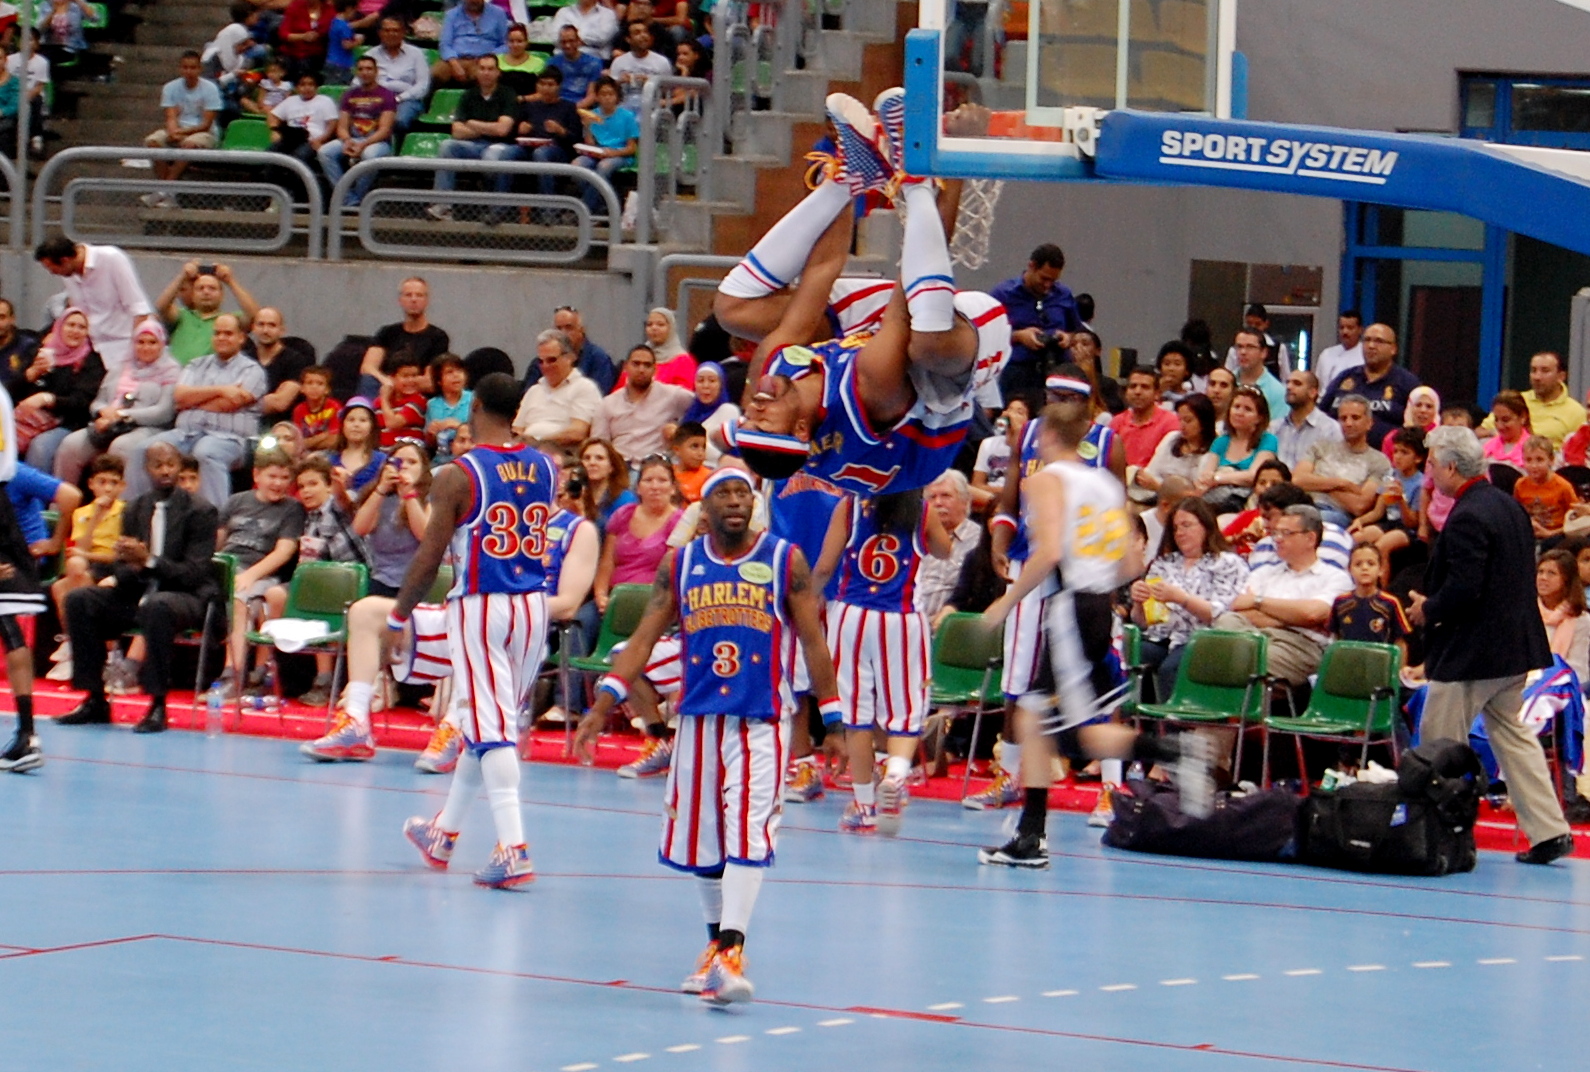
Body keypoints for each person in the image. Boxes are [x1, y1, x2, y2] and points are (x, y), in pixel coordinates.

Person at [574, 468, 839, 1004]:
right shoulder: (681, 563)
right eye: (724, 493)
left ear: (754, 504)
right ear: (704, 506)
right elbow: (643, 637)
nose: (736, 501)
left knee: (748, 832)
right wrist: (602, 704)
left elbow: (813, 640)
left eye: (744, 492)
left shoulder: (784, 559)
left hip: (760, 720)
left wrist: (831, 720)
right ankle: (715, 947)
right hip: (698, 722)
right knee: (703, 843)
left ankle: (732, 951)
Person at [720, 91, 1009, 496]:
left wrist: (840, 185)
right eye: (763, 420)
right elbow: (904, 302)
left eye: (747, 418)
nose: (754, 406)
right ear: (801, 429)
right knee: (925, 342)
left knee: (733, 310)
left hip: (865, 337)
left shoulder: (770, 376)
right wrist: (943, 168)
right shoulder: (871, 394)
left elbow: (821, 271)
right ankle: (921, 179)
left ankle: (853, 174)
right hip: (934, 396)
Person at [978, 399, 1203, 868]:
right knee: (1058, 726)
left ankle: (1173, 751)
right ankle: (1032, 835)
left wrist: (1006, 601)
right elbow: (1131, 560)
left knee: (1042, 722)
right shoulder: (1102, 483)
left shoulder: (1047, 480)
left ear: (1044, 437)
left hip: (1071, 606)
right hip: (1099, 607)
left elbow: (1047, 552)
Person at [391, 373, 560, 890]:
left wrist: (398, 617)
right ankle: (443, 832)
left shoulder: (458, 473)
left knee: (493, 726)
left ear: (476, 405)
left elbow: (429, 557)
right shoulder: (545, 466)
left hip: (483, 604)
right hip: (533, 604)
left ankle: (513, 847)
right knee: (485, 717)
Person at [1407, 425, 1574, 864]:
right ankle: (1550, 831)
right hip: (1513, 648)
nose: (1428, 472)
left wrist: (1429, 608)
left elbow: (1466, 588)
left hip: (1471, 654)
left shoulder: (1468, 516)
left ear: (1450, 467)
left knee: (1440, 745)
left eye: (1431, 464)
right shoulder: (1508, 506)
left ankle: (1440, 835)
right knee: (1513, 737)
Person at [811, 487, 950, 835]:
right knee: (906, 710)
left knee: (855, 715)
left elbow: (825, 566)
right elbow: (944, 551)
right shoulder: (922, 511)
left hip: (852, 616)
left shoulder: (849, 507)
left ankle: (864, 806)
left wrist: (805, 600)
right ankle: (895, 775)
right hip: (902, 618)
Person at [57, 442, 220, 734]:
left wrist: (149, 561)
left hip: (186, 597)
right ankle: (95, 699)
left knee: (158, 606)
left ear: (179, 467)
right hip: (138, 593)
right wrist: (131, 567)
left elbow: (194, 573)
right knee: (80, 599)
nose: (165, 471)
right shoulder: (135, 508)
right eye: (158, 465)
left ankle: (157, 705)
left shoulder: (201, 511)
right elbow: (121, 568)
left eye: (171, 464)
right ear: (147, 470)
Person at [130, 315, 265, 507]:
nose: (221, 338)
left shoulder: (252, 370)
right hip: (186, 433)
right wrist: (221, 390)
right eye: (217, 333)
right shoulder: (197, 364)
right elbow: (180, 396)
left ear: (241, 338)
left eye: (228, 333)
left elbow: (231, 403)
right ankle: (138, 513)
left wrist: (193, 401)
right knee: (143, 449)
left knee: (206, 451)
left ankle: (213, 518)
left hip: (229, 438)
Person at [1213, 503, 1352, 686]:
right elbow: (1239, 608)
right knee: (1226, 622)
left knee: (1232, 659)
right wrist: (1293, 617)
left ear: (1310, 538)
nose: (1277, 539)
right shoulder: (1263, 573)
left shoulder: (1335, 578)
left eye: (1286, 533)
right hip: (1255, 635)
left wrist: (1257, 601)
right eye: (1275, 533)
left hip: (1299, 647)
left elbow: (1313, 614)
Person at [1130, 497, 1249, 702]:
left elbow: (1220, 614)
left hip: (1204, 639)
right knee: (1131, 655)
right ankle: (1132, 718)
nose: (1180, 533)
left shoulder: (1227, 563)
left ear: (1206, 527)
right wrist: (1138, 602)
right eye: (1175, 528)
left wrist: (1182, 598)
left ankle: (1176, 722)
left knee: (1172, 668)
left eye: (1186, 525)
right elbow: (1144, 622)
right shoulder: (1164, 563)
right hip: (1162, 637)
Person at [215, 448, 305, 699]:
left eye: (284, 478)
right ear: (256, 475)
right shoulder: (236, 501)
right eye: (272, 476)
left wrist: (250, 575)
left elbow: (284, 552)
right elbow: (218, 542)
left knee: (242, 601)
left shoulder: (292, 509)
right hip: (227, 567)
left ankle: (232, 674)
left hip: (261, 574)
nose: (278, 483)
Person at [51, 319, 179, 488]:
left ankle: (119, 502)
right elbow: (97, 403)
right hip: (108, 425)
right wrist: (104, 412)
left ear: (162, 344)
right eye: (140, 342)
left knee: (121, 447)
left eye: (152, 342)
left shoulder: (171, 371)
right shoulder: (120, 368)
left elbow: (164, 412)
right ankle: (64, 500)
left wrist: (121, 415)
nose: (145, 347)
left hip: (147, 427)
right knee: (71, 444)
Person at [46, 454, 125, 676]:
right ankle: (75, 643)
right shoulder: (82, 513)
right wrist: (96, 516)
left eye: (113, 483)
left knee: (77, 571)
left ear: (122, 486)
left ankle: (82, 646)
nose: (107, 488)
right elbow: (81, 547)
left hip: (113, 568)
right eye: (102, 482)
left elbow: (120, 556)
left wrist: (87, 555)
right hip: (87, 568)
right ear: (91, 484)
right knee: (61, 584)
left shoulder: (126, 512)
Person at [32, 236, 154, 372]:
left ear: (65, 261)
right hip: (93, 349)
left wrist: (136, 351)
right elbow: (79, 310)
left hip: (124, 346)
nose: (52, 273)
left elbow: (138, 308)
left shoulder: (112, 258)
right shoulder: (69, 273)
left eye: (52, 268)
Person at [10, 307, 106, 474]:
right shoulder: (40, 353)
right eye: (71, 325)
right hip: (27, 418)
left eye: (81, 327)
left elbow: (82, 402)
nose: (75, 331)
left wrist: (47, 399)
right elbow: (10, 392)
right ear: (59, 327)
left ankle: (36, 490)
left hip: (67, 422)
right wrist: (30, 374)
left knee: (41, 446)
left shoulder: (91, 361)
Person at [426, 53, 520, 221]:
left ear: (498, 72)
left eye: (490, 69)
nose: (486, 73)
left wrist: (471, 123)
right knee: (448, 146)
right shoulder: (469, 95)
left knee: (492, 155)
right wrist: (487, 128)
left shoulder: (508, 94)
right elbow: (457, 131)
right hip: (475, 145)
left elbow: (502, 130)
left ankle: (497, 211)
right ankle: (443, 206)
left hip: (503, 146)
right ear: (476, 72)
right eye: (482, 69)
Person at [988, 243, 1080, 404]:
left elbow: (1077, 331)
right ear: (1031, 266)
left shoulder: (1064, 295)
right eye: (1044, 278)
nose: (1047, 286)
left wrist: (1067, 337)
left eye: (1053, 281)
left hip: (1057, 372)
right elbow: (986, 334)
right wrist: (1018, 336)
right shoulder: (1003, 294)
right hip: (1017, 373)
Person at [593, 454, 683, 613]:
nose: (655, 487)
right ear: (638, 488)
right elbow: (607, 563)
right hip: (614, 596)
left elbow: (672, 572)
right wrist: (601, 596)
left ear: (673, 488)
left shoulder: (679, 522)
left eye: (662, 480)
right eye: (648, 480)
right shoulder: (623, 515)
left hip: (655, 601)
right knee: (582, 621)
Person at [1292, 395, 1391, 528]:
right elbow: (1297, 480)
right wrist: (1342, 484)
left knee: (1309, 521)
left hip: (1336, 514)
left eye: (1355, 418)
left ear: (1369, 423)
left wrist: (1318, 483)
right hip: (1303, 505)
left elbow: (1360, 506)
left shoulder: (1379, 461)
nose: (1348, 423)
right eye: (1343, 418)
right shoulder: (1321, 446)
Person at [316, 54, 397, 209]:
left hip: (378, 141)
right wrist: (347, 141)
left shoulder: (387, 95)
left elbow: (385, 129)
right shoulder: (349, 95)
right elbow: (342, 126)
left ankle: (356, 198)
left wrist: (363, 144)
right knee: (325, 152)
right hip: (353, 138)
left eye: (369, 69)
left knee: (369, 155)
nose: (365, 72)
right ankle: (347, 197)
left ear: (376, 71)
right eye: (361, 69)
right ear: (356, 72)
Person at [1321, 323, 1420, 446]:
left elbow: (1418, 430)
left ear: (1393, 349)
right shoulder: (1344, 377)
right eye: (1367, 340)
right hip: (1338, 452)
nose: (1371, 346)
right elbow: (1321, 415)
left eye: (1379, 341)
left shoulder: (1407, 382)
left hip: (1386, 455)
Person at [591, 345, 694, 462]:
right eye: (636, 364)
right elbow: (598, 445)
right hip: (620, 466)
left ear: (655, 370)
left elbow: (702, 405)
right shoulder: (607, 403)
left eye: (647, 365)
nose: (641, 370)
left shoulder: (673, 395)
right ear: (625, 367)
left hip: (656, 465)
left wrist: (679, 430)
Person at [1349, 427, 1427, 576]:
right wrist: (1360, 521)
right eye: (1396, 451)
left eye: (1404, 452)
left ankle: (1381, 586)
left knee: (1381, 546)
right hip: (1389, 523)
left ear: (1418, 458)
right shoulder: (1391, 475)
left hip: (1408, 530)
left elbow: (1412, 522)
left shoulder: (1420, 484)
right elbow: (1378, 512)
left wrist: (1400, 500)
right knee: (1357, 538)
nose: (1397, 457)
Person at [154, 261, 262, 365]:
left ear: (222, 295)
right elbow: (161, 306)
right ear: (193, 295)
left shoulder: (228, 321)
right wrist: (183, 276)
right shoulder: (182, 316)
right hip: (176, 374)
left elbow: (255, 315)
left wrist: (230, 281)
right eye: (200, 288)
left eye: (212, 288)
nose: (206, 292)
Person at [359, 277, 450, 397]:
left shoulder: (438, 337)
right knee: (368, 380)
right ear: (400, 300)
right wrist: (385, 380)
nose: (413, 300)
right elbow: (367, 367)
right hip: (385, 389)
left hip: (416, 396)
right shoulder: (387, 332)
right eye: (408, 295)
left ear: (427, 301)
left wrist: (398, 382)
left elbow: (429, 381)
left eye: (419, 295)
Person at [1479, 351, 1586, 451]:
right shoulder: (1515, 401)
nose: (1537, 377)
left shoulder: (1576, 412)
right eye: (1534, 370)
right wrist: (1496, 433)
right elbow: (1480, 432)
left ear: (1561, 376)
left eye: (1545, 371)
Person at [144, 51, 222, 188]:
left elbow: (206, 124)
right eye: (185, 67)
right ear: (180, 68)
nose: (189, 71)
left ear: (200, 69)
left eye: (193, 68)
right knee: (152, 142)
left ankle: (166, 187)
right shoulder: (170, 87)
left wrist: (181, 133)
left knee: (189, 145)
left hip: (204, 133)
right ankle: (165, 187)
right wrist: (173, 132)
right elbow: (171, 116)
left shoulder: (211, 89)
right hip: (179, 129)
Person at [513, 329, 602, 445]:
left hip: (563, 451)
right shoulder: (534, 391)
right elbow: (517, 429)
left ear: (569, 358)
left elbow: (577, 433)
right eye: (540, 361)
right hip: (528, 450)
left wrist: (537, 442)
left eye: (551, 360)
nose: (545, 366)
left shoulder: (584, 388)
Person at [1197, 384, 1276, 514]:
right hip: (1216, 498)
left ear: (1259, 417)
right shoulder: (1221, 441)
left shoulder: (1268, 440)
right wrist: (1210, 480)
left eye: (1247, 409)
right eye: (1236, 407)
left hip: (1246, 502)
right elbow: (1207, 476)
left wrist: (1218, 478)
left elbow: (1254, 476)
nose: (1239, 413)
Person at [915, 469, 982, 621]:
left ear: (965, 501)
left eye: (946, 496)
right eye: (932, 497)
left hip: (951, 624)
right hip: (910, 620)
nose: (938, 503)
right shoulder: (915, 538)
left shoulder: (979, 541)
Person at [573, 76, 639, 215]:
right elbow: (590, 144)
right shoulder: (592, 115)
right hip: (597, 152)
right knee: (577, 165)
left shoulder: (627, 116)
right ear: (597, 97)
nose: (607, 98)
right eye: (603, 94)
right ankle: (600, 205)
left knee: (604, 166)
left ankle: (585, 210)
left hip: (619, 154)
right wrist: (587, 128)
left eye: (611, 94)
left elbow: (632, 148)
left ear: (617, 96)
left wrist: (613, 153)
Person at [1329, 544, 1411, 657]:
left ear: (1381, 569)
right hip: (1348, 661)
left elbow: (1400, 642)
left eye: (1371, 563)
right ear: (1349, 570)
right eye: (1358, 564)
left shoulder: (1390, 603)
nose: (1364, 568)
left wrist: (1399, 667)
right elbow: (1334, 638)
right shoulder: (1340, 602)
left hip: (1379, 662)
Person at [518, 66, 581, 197]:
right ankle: (499, 204)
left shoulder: (569, 107)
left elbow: (576, 140)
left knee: (541, 153)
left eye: (550, 85)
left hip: (558, 150)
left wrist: (560, 131)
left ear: (559, 86)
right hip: (530, 147)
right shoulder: (530, 106)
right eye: (542, 84)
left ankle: (548, 204)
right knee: (506, 152)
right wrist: (521, 129)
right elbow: (517, 133)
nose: (546, 88)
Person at [522, 305, 615, 395]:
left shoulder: (599, 359)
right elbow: (527, 395)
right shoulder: (541, 362)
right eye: (558, 328)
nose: (563, 333)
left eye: (569, 328)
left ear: (582, 330)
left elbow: (599, 397)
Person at [1138, 393, 1216, 497]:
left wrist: (1160, 487)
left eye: (1188, 421)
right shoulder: (1171, 438)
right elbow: (1151, 471)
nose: (1182, 426)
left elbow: (1198, 493)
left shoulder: (1214, 449)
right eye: (1180, 419)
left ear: (1204, 422)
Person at [250, 307, 315, 422]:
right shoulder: (244, 358)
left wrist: (239, 404)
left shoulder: (295, 360)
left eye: (272, 325)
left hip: (281, 426)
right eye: (261, 324)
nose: (265, 330)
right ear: (253, 328)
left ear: (282, 330)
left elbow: (280, 403)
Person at [1110, 365, 1179, 470]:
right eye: (1133, 386)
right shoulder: (1117, 422)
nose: (1137, 392)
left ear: (1157, 394)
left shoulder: (1171, 422)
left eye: (1145, 387)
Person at [1271, 368, 1342, 471]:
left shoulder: (1330, 429)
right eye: (1287, 383)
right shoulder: (1274, 427)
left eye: (1297, 383)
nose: (1289, 387)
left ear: (1312, 392)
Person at [369, 15, 430, 133]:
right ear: (380, 33)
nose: (391, 34)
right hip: (376, 98)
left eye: (396, 30)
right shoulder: (371, 54)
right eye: (387, 30)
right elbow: (357, 82)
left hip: (406, 99)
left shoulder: (416, 54)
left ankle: (395, 143)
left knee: (399, 120)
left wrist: (399, 98)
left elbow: (423, 85)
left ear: (403, 33)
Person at [1536, 548, 1589, 682]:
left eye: (1551, 573)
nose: (1543, 578)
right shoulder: (1527, 614)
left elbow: (1579, 670)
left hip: (1563, 686)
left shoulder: (1581, 620)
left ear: (1566, 579)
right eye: (1540, 572)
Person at [268, 70, 340, 167]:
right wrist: (274, 131)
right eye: (303, 85)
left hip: (312, 140)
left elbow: (332, 123)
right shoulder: (290, 100)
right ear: (297, 87)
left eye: (311, 84)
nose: (307, 88)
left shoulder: (325, 101)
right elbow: (272, 115)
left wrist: (321, 140)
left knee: (299, 157)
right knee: (270, 154)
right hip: (291, 137)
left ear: (316, 86)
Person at [1514, 434, 1578, 543]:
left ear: (1551, 460)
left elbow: (1575, 521)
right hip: (1529, 536)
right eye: (1528, 460)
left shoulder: (1563, 486)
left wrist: (1550, 533)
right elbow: (1516, 514)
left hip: (1556, 537)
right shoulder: (1520, 485)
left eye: (1539, 460)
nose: (1534, 466)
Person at [432, 0, 510, 88]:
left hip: (483, 60)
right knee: (436, 74)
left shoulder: (498, 13)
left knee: (484, 75)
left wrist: (489, 57)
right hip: (455, 59)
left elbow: (505, 44)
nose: (473, 1)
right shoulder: (452, 14)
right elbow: (445, 44)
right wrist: (454, 64)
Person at [615, 307, 695, 389]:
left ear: (671, 328)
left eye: (660, 324)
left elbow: (683, 394)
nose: (654, 328)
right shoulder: (639, 356)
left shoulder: (683, 361)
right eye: (649, 324)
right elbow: (620, 389)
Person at [327, 396, 385, 492]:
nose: (356, 425)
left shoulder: (382, 460)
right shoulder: (329, 460)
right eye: (351, 420)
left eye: (363, 420)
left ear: (372, 426)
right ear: (343, 425)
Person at [610, 19, 670, 112]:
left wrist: (651, 83)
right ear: (628, 39)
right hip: (624, 108)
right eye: (637, 33)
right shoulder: (619, 62)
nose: (643, 36)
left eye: (645, 32)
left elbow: (668, 91)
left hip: (652, 109)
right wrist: (620, 82)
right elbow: (610, 89)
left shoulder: (662, 62)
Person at [578, 437, 636, 531]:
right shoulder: (576, 495)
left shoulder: (625, 499)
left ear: (611, 467)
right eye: (587, 458)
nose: (592, 463)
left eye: (599, 458)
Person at [1222, 303, 1292, 380]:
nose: (1253, 327)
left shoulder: (1278, 348)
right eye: (1249, 324)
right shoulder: (1234, 349)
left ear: (1266, 324)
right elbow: (1227, 376)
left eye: (1258, 324)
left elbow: (1285, 377)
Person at [1230, 327, 1286, 420]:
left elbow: (1277, 426)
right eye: (1239, 347)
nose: (1243, 352)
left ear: (1263, 352)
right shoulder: (1226, 383)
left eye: (1250, 347)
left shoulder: (1277, 392)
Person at [425, 353, 472, 458]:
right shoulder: (432, 405)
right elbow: (430, 444)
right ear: (439, 381)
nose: (456, 375)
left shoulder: (475, 400)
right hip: (440, 459)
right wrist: (431, 433)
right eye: (449, 372)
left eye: (459, 371)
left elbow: (482, 435)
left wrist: (459, 426)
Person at [375, 354, 426, 449]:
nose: (411, 380)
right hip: (383, 453)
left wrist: (384, 400)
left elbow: (393, 424)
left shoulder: (418, 400)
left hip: (408, 453)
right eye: (405, 376)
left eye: (414, 375)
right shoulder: (378, 403)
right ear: (392, 378)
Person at [547, 23, 602, 106]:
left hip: (582, 106)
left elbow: (592, 95)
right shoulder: (552, 62)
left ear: (578, 41)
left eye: (571, 41)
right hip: (557, 105)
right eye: (564, 42)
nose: (567, 45)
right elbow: (549, 92)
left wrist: (573, 109)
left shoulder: (594, 63)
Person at [276, 0, 330, 79]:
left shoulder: (329, 10)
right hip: (291, 51)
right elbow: (283, 33)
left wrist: (319, 35)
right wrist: (303, 37)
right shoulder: (296, 5)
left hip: (315, 54)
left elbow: (328, 31)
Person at [1382, 384, 1439, 458]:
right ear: (1410, 407)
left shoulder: (1442, 438)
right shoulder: (1392, 438)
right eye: (1418, 405)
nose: (1423, 410)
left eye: (1429, 406)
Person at [1481, 389, 1532, 471]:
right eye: (1496, 419)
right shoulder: (1485, 446)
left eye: (1506, 420)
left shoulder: (1536, 449)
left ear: (1523, 417)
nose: (1500, 426)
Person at [1313, 310, 1364, 391]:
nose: (1345, 332)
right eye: (1341, 328)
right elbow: (1318, 385)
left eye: (1350, 328)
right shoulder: (1327, 354)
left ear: (1360, 330)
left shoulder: (1365, 354)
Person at [552, 0, 618, 60]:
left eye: (574, 40)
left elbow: (602, 38)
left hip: (595, 60)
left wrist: (570, 38)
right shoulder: (563, 12)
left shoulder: (607, 14)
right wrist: (583, 39)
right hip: (563, 59)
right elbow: (555, 37)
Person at [496, 22, 547, 99]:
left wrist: (523, 99)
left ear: (526, 42)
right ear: (506, 42)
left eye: (519, 41)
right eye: (511, 41)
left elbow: (542, 94)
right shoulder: (496, 60)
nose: (515, 45)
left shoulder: (538, 63)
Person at [670, 422, 710, 503]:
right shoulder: (668, 474)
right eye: (694, 446)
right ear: (677, 450)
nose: (700, 453)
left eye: (704, 447)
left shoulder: (708, 477)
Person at [1205, 366, 1236, 430]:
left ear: (1233, 391)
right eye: (1212, 384)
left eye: (1223, 385)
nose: (1216, 390)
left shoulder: (1237, 427)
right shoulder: (1196, 423)